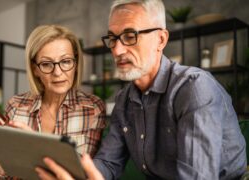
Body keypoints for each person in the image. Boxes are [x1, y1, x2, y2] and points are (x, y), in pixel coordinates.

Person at [35, 0, 247, 179]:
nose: (117, 50)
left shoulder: (194, 88)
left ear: (161, 39)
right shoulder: (124, 101)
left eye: (130, 36)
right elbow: (108, 163)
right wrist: (67, 170)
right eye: (113, 38)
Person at [0, 25, 106, 179]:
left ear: (75, 64)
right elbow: (0, 177)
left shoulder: (92, 108)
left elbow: (85, 175)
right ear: (35, 69)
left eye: (66, 61)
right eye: (46, 64)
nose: (57, 73)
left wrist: (32, 146)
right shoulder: (17, 105)